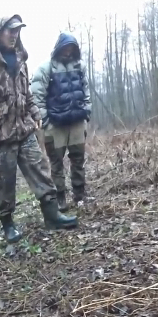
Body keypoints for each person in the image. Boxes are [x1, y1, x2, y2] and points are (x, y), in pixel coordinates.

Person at [0, 15, 78, 244]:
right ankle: (8, 226)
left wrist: (35, 115)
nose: (14, 35)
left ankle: (52, 216)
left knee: (42, 171)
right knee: (3, 183)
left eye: (17, 31)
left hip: (24, 131)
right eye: (10, 31)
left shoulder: (21, 59)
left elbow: (27, 95)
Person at [31, 32, 92, 211]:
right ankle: (60, 198)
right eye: (66, 47)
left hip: (77, 122)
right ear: (59, 48)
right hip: (55, 125)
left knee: (78, 161)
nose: (68, 51)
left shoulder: (80, 67)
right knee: (56, 164)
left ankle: (80, 195)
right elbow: (36, 96)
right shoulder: (46, 69)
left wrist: (86, 111)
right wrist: (45, 121)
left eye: (71, 47)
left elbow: (85, 89)